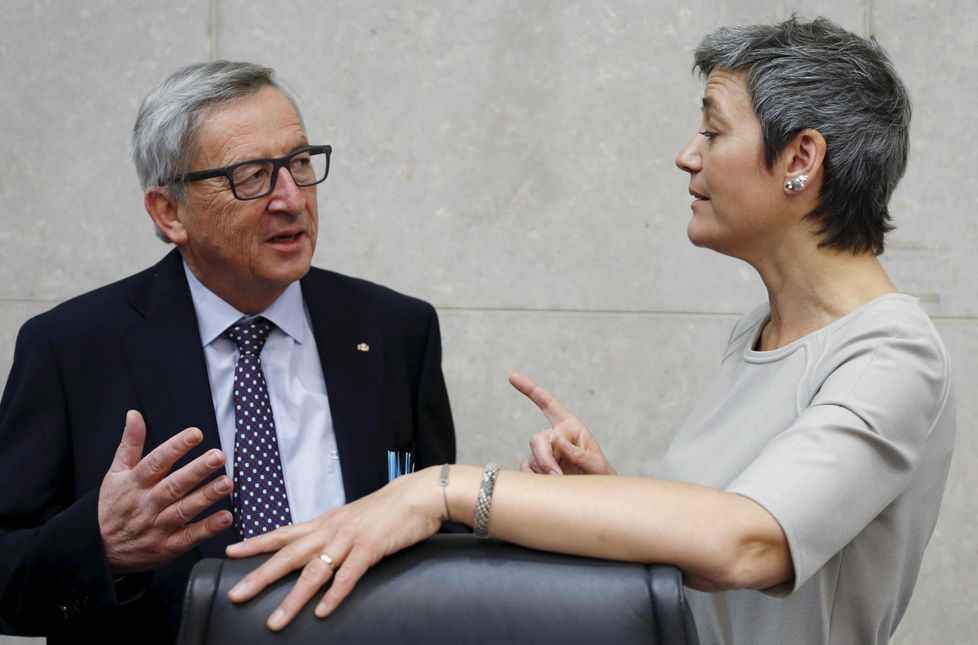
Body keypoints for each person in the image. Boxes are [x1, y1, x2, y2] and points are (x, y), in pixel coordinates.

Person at [224, 17, 955, 645]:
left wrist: (443, 490)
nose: (687, 155)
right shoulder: (758, 331)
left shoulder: (893, 353)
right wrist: (605, 491)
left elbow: (747, 542)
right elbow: (703, 549)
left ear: (801, 159)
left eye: (713, 129)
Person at [0, 61, 455, 643]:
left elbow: (436, 533)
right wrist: (103, 547)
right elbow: (7, 574)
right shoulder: (73, 347)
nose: (291, 199)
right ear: (170, 213)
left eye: (298, 163)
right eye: (252, 176)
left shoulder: (396, 330)